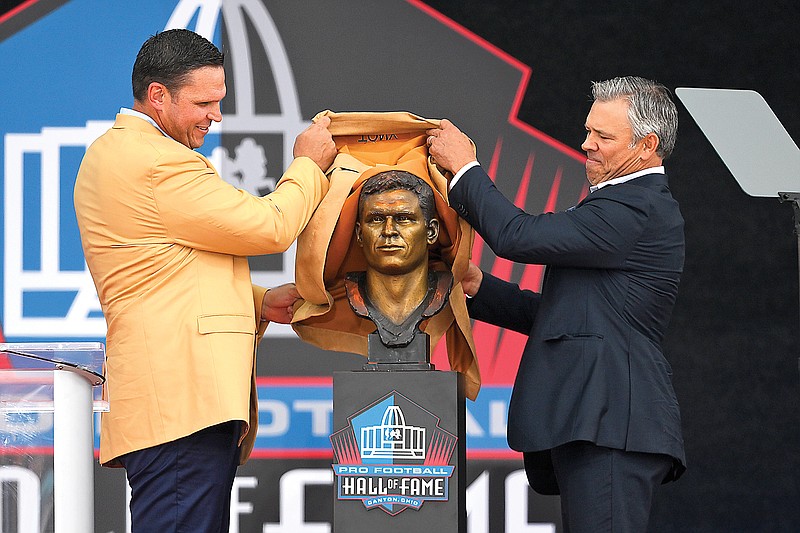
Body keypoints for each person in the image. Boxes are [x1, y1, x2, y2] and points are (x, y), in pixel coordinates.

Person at [73, 29, 335, 532]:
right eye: (204, 102)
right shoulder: (156, 162)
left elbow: (163, 266)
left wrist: (255, 303)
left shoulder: (121, 154)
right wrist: (307, 164)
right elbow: (271, 226)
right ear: (158, 96)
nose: (216, 115)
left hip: (173, 403)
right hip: (180, 404)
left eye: (220, 100)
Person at [427, 76, 686, 532]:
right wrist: (478, 286)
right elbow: (566, 319)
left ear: (647, 146)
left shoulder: (635, 208)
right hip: (595, 421)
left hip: (610, 421)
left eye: (604, 136)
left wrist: (465, 169)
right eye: (588, 131)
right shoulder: (618, 204)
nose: (587, 145)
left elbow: (516, 236)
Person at [346, 171, 453, 362]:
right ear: (360, 234)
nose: (389, 231)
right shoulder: (353, 293)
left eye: (403, 218)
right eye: (376, 219)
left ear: (431, 231)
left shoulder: (444, 291)